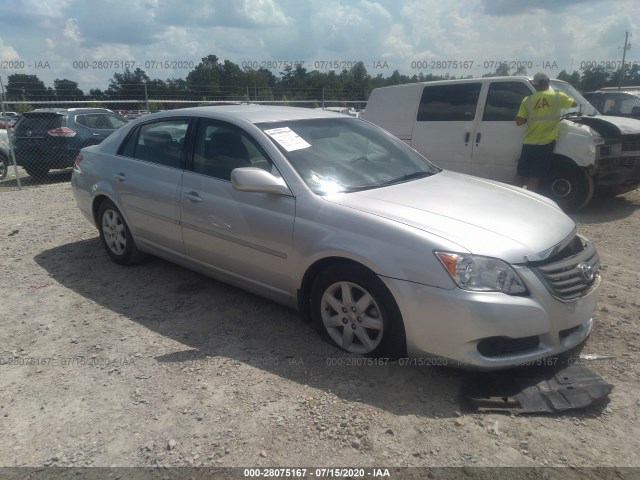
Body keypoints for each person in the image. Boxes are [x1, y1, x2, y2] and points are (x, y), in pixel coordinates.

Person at [514, 72, 577, 192]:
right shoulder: (558, 96)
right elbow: (574, 104)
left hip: (529, 141)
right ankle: (531, 202)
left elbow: (519, 121)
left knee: (521, 173)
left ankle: (515, 199)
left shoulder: (527, 100)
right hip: (545, 142)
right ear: (547, 82)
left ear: (535, 85)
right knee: (535, 175)